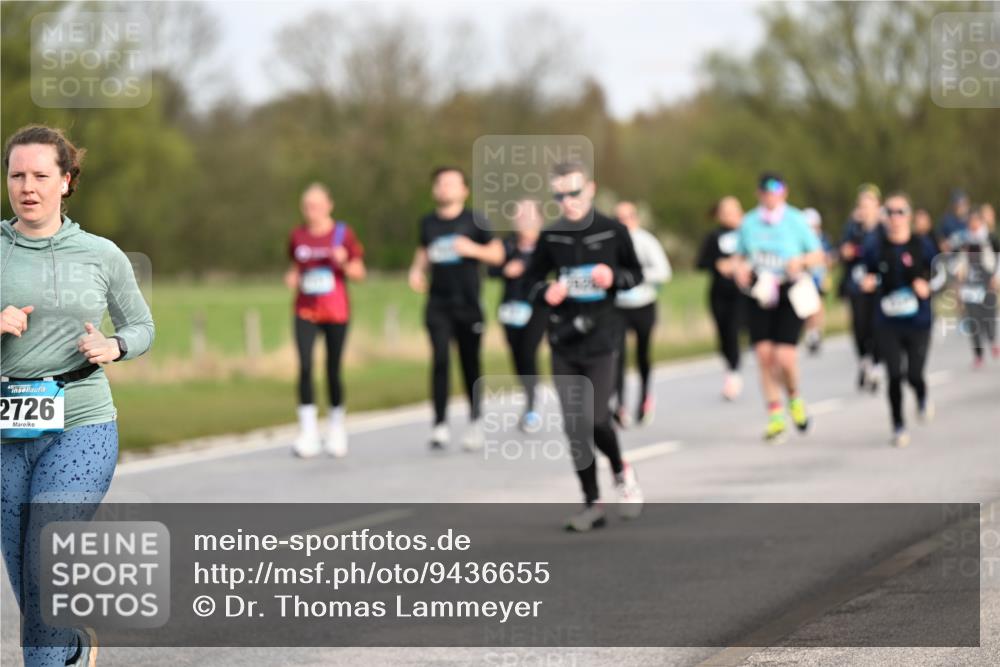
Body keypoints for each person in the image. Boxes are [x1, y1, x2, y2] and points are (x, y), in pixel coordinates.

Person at [2, 125, 154, 667]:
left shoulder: (101, 254)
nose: (28, 186)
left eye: (41, 175)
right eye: (17, 174)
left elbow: (142, 326)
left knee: (46, 552)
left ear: (66, 181)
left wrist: (113, 345)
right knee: (25, 569)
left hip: (81, 420)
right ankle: (66, 649)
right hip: (6, 429)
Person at [524, 161, 644, 532]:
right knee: (574, 425)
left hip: (604, 337)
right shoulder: (552, 236)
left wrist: (614, 278)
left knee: (596, 419)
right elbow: (530, 283)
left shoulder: (613, 231)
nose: (568, 202)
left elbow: (635, 274)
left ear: (590, 189)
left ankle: (621, 471)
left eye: (574, 193)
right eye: (559, 195)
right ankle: (591, 501)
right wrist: (548, 291)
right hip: (564, 340)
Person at [408, 167, 504, 450]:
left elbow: (497, 254)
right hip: (438, 303)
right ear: (434, 190)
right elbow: (423, 252)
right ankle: (439, 424)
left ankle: (475, 421)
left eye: (451, 184)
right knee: (439, 361)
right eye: (440, 184)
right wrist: (416, 271)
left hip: (468, 304)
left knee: (469, 362)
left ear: (464, 190)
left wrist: (472, 249)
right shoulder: (428, 223)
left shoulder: (476, 220)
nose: (445, 188)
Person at [733, 172, 824, 443]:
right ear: (759, 194)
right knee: (764, 355)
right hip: (760, 292)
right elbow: (739, 255)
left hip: (789, 291)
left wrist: (802, 261)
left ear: (784, 192)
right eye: (765, 191)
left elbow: (819, 255)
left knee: (784, 357)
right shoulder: (749, 222)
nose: (771, 196)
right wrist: (739, 269)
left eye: (776, 190)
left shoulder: (796, 219)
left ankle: (794, 398)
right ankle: (775, 415)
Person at [284, 183, 366, 458]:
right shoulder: (297, 235)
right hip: (305, 310)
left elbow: (359, 273)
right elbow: (296, 265)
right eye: (307, 206)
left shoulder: (343, 234)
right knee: (305, 366)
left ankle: (336, 428)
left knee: (333, 368)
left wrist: (344, 262)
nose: (312, 211)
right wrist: (292, 276)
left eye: (317, 206)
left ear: (329, 205)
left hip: (336, 311)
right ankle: (308, 431)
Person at [859, 193, 943, 447]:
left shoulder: (923, 245)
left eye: (901, 212)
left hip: (917, 321)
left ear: (909, 215)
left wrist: (927, 285)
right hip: (887, 321)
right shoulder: (876, 246)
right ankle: (898, 424)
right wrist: (866, 282)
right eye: (890, 212)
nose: (895, 218)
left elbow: (942, 272)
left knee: (913, 375)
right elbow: (861, 273)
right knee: (894, 374)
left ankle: (921, 395)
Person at [489, 199, 548, 431]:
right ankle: (530, 394)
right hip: (510, 308)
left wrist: (529, 269)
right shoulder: (507, 244)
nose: (522, 219)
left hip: (537, 307)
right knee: (517, 357)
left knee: (528, 351)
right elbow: (492, 270)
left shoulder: (547, 244)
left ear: (539, 219)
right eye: (518, 214)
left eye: (527, 214)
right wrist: (505, 269)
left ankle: (533, 407)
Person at [612, 200, 671, 426]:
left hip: (643, 304)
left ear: (635, 218)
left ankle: (645, 398)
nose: (624, 222)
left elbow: (664, 272)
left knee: (642, 354)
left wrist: (636, 275)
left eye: (628, 217)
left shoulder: (646, 241)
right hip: (618, 306)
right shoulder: (612, 242)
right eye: (619, 218)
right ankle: (620, 404)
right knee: (617, 355)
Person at [696, 196, 745, 400]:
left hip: (741, 292)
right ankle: (729, 368)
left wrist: (739, 263)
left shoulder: (748, 233)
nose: (729, 215)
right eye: (725, 211)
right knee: (723, 334)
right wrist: (718, 264)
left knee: (734, 330)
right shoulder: (713, 236)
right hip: (719, 292)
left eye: (733, 211)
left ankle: (734, 373)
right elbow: (700, 263)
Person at [838, 183, 885, 392]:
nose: (865, 209)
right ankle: (864, 361)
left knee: (877, 326)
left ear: (877, 206)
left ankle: (876, 364)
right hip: (856, 284)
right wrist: (846, 252)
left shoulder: (883, 228)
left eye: (869, 205)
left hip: (878, 285)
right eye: (862, 205)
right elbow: (843, 251)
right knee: (859, 326)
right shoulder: (852, 228)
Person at [951, 205, 1000, 368]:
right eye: (970, 222)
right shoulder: (964, 240)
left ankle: (993, 342)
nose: (973, 224)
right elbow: (958, 262)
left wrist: (997, 276)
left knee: (988, 315)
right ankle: (978, 355)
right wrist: (958, 279)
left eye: (975, 221)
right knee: (973, 320)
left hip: (987, 281)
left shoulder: (990, 238)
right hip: (970, 284)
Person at [802, 207, 835, 356]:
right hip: (805, 278)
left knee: (819, 305)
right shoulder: (801, 240)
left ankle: (817, 331)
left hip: (819, 277)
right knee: (807, 307)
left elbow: (829, 257)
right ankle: (810, 331)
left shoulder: (823, 238)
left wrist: (826, 268)